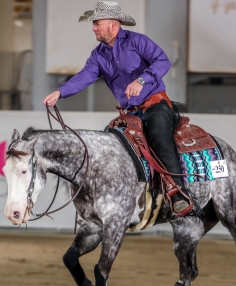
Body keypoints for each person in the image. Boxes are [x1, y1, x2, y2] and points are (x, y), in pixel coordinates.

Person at [43, 1, 191, 215]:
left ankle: (178, 193)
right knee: (111, 146)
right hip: (130, 113)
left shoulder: (137, 41)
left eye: (97, 23)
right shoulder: (98, 55)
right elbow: (85, 76)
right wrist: (60, 92)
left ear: (113, 24)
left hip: (154, 103)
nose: (93, 28)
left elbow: (162, 61)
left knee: (160, 138)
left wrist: (140, 80)